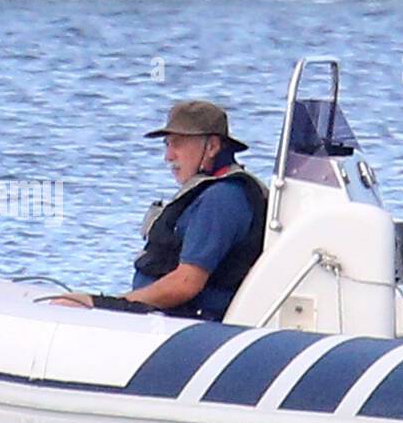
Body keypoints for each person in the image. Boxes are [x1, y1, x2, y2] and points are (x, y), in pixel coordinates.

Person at [56, 100, 267, 321]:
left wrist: (110, 305)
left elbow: (186, 284)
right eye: (167, 144)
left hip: (190, 326)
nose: (168, 156)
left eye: (178, 144)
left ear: (212, 147)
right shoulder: (211, 192)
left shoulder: (222, 198)